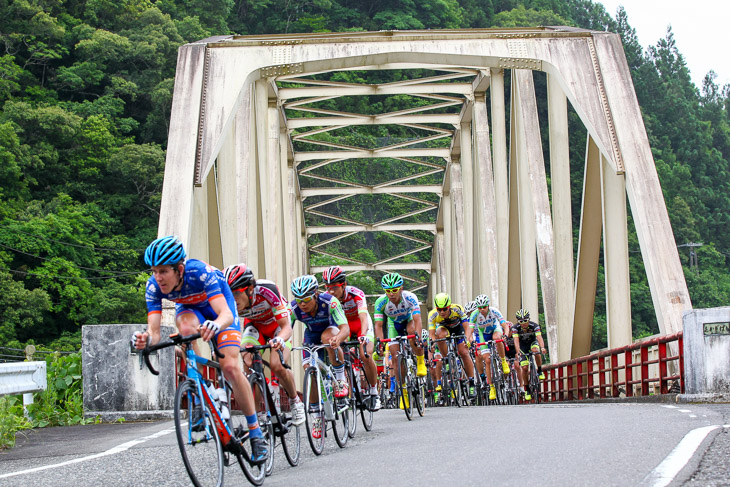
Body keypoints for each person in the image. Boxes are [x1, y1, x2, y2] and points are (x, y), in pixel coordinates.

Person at [132, 236, 268, 464]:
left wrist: (216, 325)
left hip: (220, 309)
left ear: (180, 269)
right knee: (184, 328)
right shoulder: (153, 286)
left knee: (230, 367)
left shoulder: (201, 273)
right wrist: (144, 340)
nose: (158, 277)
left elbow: (224, 314)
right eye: (154, 271)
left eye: (163, 271)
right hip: (190, 310)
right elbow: (154, 334)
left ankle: (255, 431)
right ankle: (202, 391)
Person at [223, 263, 305, 425]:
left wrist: (280, 339)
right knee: (247, 361)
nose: (232, 298)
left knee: (277, 365)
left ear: (250, 289)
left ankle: (295, 402)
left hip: (277, 325)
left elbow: (286, 327)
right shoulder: (229, 301)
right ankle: (258, 413)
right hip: (255, 327)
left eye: (236, 293)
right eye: (228, 293)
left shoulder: (267, 290)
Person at [289, 274, 350, 439]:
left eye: (306, 299)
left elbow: (345, 328)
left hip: (331, 330)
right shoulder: (293, 308)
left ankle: (340, 379)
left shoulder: (330, 302)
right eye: (299, 299)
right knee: (310, 371)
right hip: (310, 336)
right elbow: (286, 332)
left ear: (315, 294)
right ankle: (316, 416)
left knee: (327, 338)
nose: (302, 304)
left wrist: (338, 339)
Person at [322, 265, 381, 411]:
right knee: (337, 350)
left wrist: (364, 335)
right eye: (327, 287)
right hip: (343, 325)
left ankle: (374, 392)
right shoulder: (326, 298)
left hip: (359, 323)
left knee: (365, 354)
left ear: (344, 285)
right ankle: (345, 386)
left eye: (334, 287)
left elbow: (363, 318)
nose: (330, 291)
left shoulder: (356, 294)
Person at [373, 273, 428, 409]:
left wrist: (419, 338)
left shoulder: (410, 297)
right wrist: (379, 342)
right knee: (396, 357)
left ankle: (420, 361)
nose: (391, 294)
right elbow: (379, 325)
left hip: (408, 320)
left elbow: (417, 320)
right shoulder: (381, 302)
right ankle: (403, 391)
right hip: (393, 325)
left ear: (401, 288)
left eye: (394, 290)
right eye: (388, 291)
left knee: (412, 332)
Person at [428, 292, 477, 398]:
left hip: (458, 329)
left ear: (449, 306)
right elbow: (432, 335)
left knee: (464, 352)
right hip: (444, 330)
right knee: (439, 334)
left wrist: (467, 340)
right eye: (439, 309)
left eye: (444, 309)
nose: (442, 312)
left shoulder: (457, 309)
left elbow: (467, 328)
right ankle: (446, 358)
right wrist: (431, 343)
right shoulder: (432, 315)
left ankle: (472, 382)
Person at [469, 294, 511, 401]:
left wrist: (505, 335)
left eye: (484, 307)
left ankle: (503, 361)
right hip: (483, 335)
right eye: (480, 307)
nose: (482, 309)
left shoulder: (494, 311)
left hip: (495, 329)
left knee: (497, 337)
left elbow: (505, 326)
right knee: (487, 360)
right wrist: (471, 341)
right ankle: (491, 387)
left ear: (488, 306)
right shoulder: (474, 315)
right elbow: (469, 333)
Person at [512, 309, 547, 401]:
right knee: (524, 368)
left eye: (525, 321)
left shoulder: (534, 325)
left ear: (529, 319)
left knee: (536, 350)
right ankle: (527, 388)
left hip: (532, 342)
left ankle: (539, 370)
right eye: (521, 321)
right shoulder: (515, 328)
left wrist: (542, 347)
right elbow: (516, 341)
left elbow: (539, 337)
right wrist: (518, 352)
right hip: (523, 347)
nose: (523, 323)